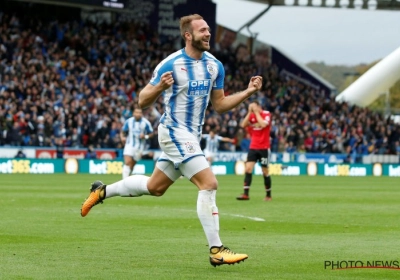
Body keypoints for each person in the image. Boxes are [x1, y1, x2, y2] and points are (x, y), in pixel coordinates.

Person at [80, 14, 262, 267]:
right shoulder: (171, 64)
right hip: (173, 131)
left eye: (208, 29)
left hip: (191, 137)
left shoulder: (214, 66)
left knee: (155, 187)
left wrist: (249, 92)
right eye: (202, 31)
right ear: (188, 36)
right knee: (209, 183)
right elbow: (143, 101)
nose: (208, 34)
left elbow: (219, 105)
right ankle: (217, 249)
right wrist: (158, 88)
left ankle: (101, 191)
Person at [236, 101, 272, 201]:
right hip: (253, 147)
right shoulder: (251, 116)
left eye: (253, 106)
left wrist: (256, 112)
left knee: (265, 172)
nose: (252, 108)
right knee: (248, 169)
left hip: (264, 147)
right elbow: (243, 125)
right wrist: (249, 112)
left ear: (258, 106)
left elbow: (263, 125)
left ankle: (268, 195)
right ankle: (246, 194)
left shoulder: (266, 114)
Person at [120, 107, 154, 178]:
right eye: (136, 112)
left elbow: (152, 134)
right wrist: (122, 137)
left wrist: (145, 136)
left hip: (140, 147)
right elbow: (123, 131)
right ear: (133, 113)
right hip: (129, 145)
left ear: (142, 114)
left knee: (132, 165)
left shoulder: (146, 123)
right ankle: (125, 182)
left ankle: (128, 178)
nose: (138, 114)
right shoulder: (129, 121)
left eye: (140, 113)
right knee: (127, 162)